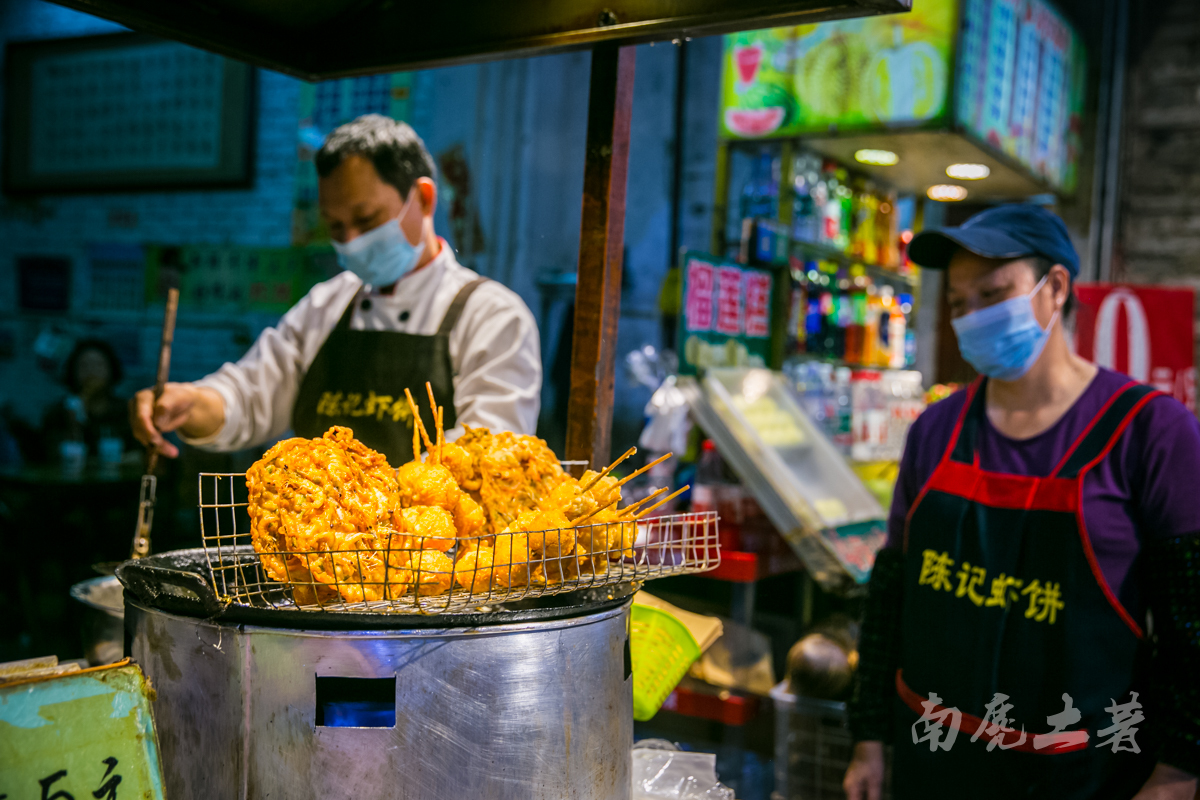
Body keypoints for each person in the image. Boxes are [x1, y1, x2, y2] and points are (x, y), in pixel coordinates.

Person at [843, 204, 1200, 800]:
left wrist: (1180, 771)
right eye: (959, 302)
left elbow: (1193, 625)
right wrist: (869, 736)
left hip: (1083, 775)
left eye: (993, 294)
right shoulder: (935, 431)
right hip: (935, 761)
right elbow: (891, 592)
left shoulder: (1153, 433)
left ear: (1055, 287)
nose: (973, 316)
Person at [129, 115, 541, 464]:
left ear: (423, 199)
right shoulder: (328, 304)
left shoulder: (491, 316)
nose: (351, 240)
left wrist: (371, 496)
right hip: (319, 534)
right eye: (336, 226)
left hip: (434, 538)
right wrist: (191, 403)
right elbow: (252, 395)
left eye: (367, 219)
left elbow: (489, 453)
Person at [43, 338, 134, 464]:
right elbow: (50, 456)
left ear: (111, 369)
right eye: (84, 366)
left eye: (98, 365)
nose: (91, 371)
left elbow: (138, 453)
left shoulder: (127, 410)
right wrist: (73, 424)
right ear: (73, 371)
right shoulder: (58, 413)